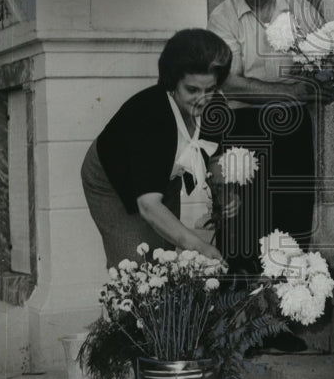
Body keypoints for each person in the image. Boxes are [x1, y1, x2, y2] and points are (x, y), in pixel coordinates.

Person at [207, 0, 324, 275]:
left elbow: (322, 72)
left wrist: (297, 92)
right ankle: (248, 319)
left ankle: (290, 316)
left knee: (294, 226)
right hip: (244, 131)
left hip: (293, 130)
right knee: (245, 230)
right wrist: (290, 92)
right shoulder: (222, 18)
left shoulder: (299, 8)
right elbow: (230, 82)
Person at [81, 29, 233, 267]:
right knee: (136, 262)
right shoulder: (151, 117)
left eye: (210, 89)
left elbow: (215, 155)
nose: (203, 99)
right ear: (172, 83)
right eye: (192, 90)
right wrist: (199, 245)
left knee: (163, 258)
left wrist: (224, 193)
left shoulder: (216, 107)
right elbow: (149, 205)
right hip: (110, 180)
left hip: (162, 176)